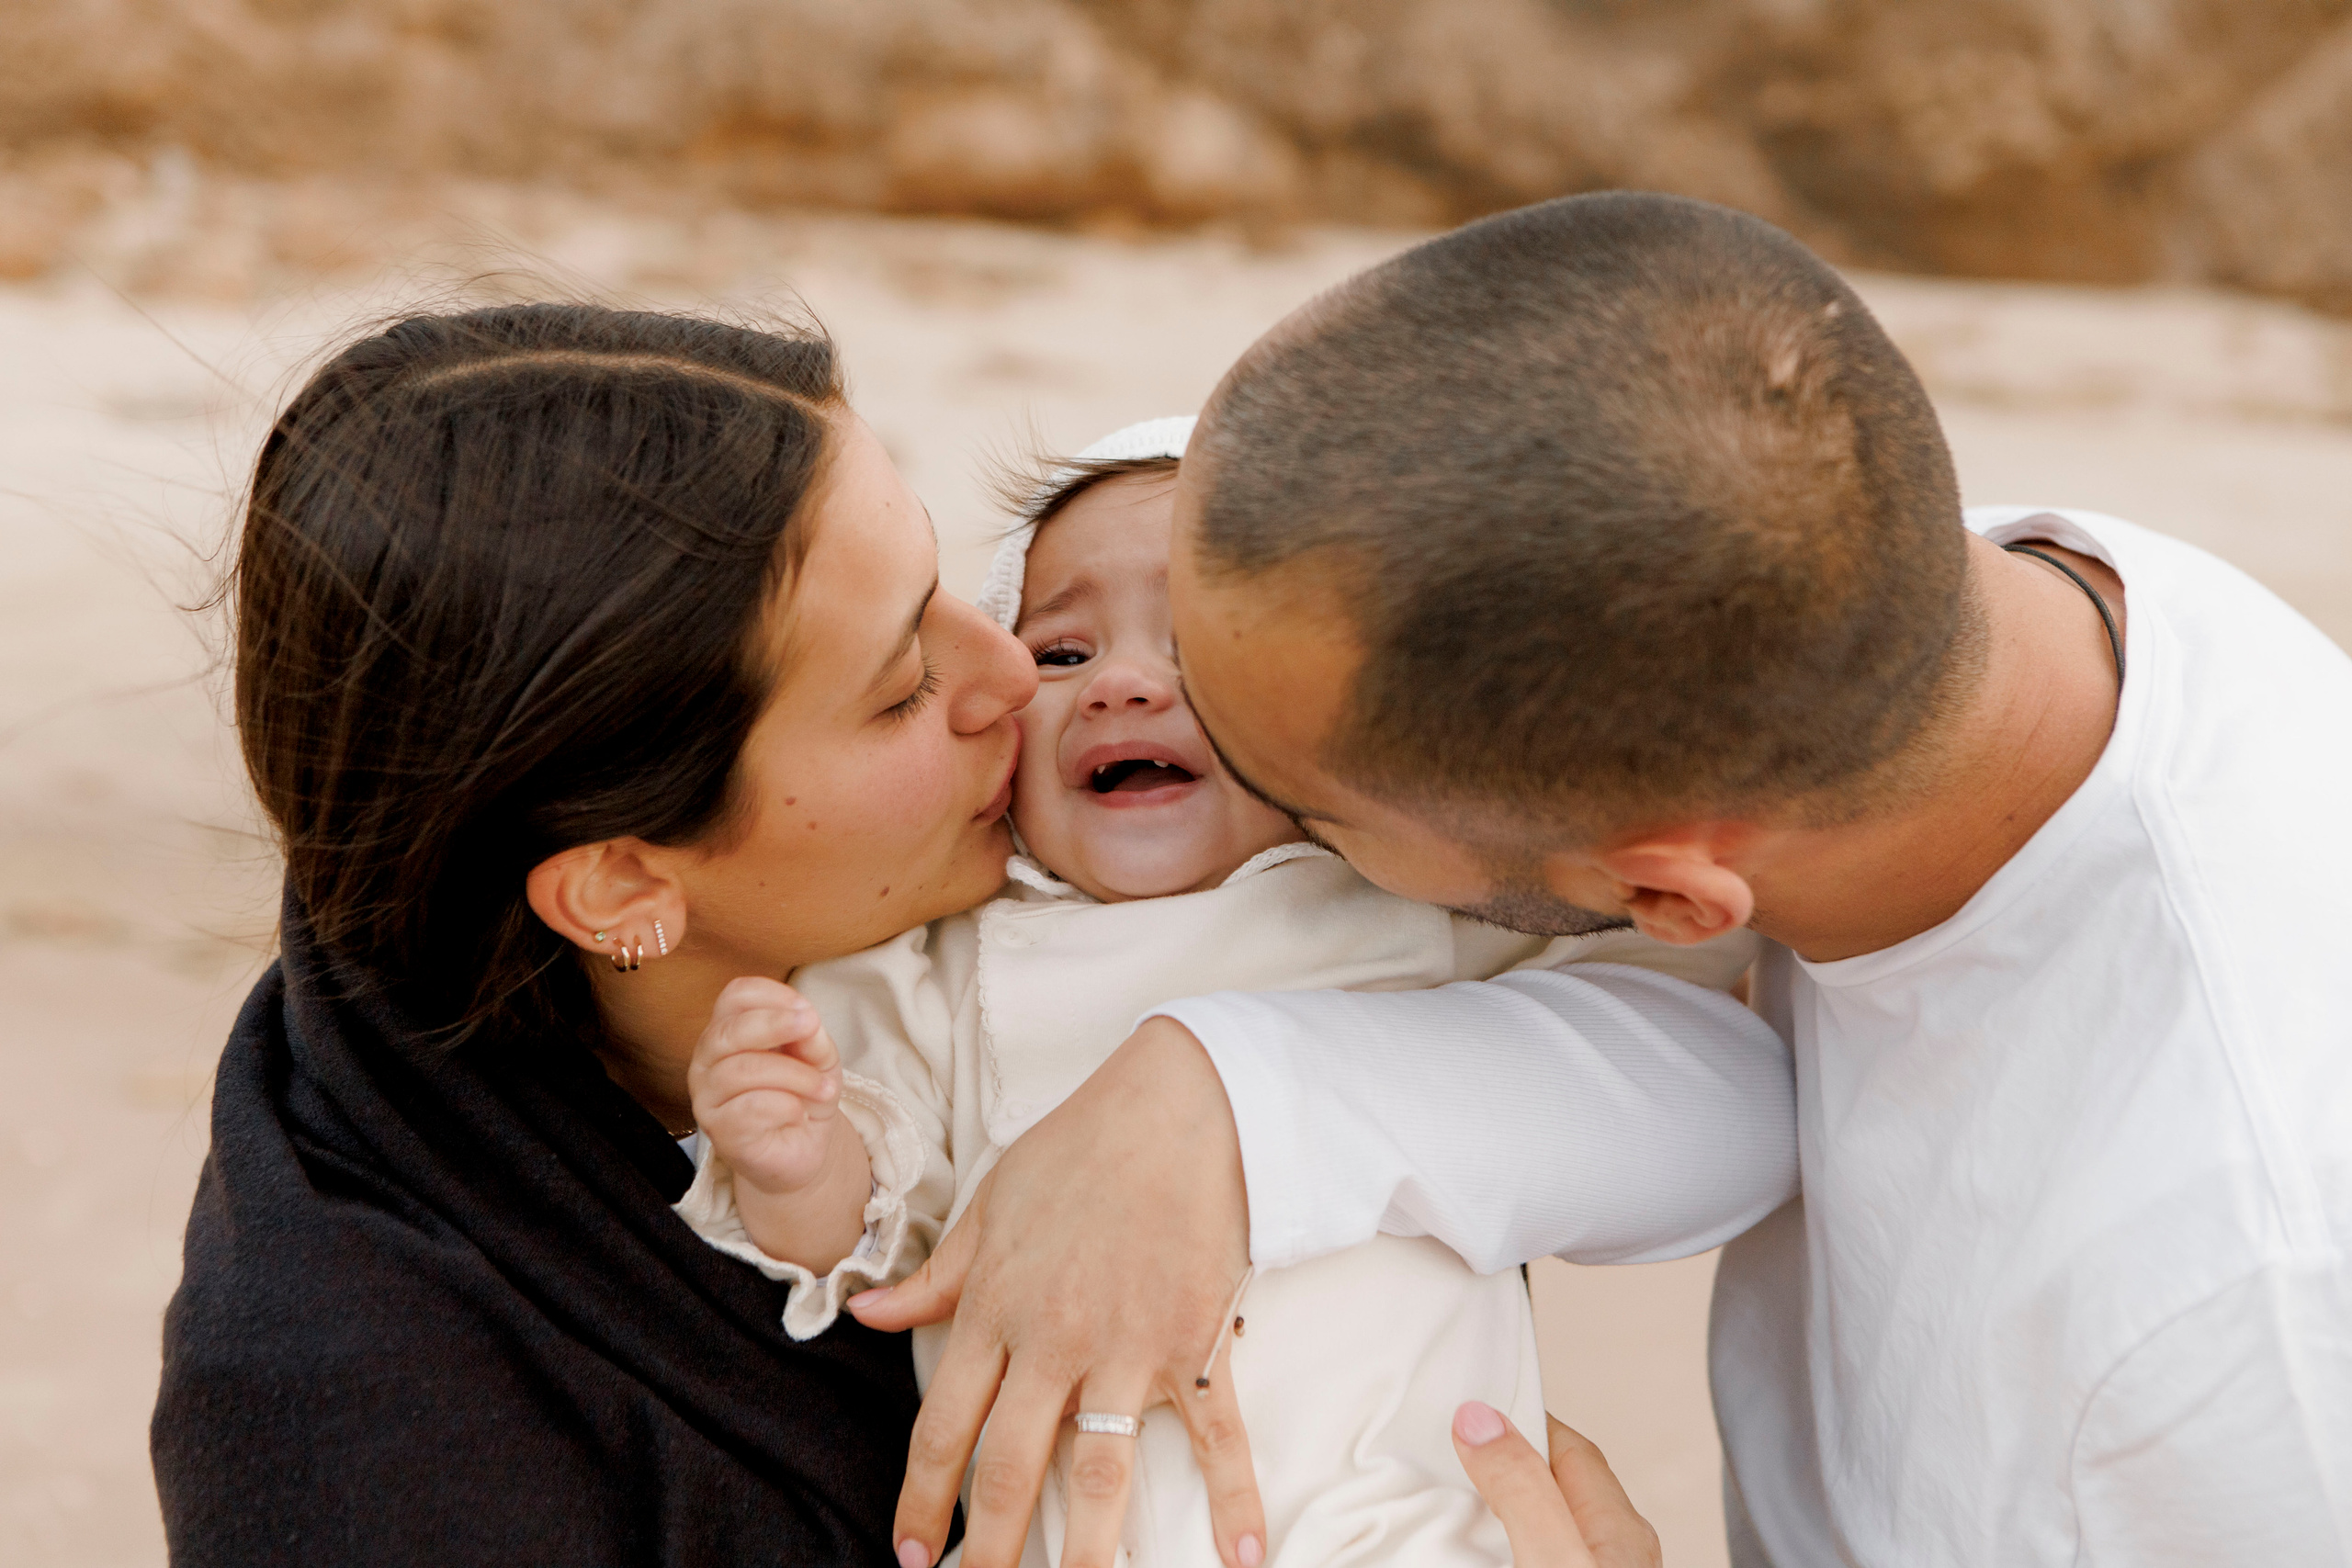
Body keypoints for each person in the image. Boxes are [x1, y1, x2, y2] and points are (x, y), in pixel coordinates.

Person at [851, 193, 2352, 1568]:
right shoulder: (1859, 561)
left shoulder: (2228, 1338)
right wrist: (1231, 1088)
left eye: (1309, 809)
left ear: (1674, 901)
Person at [671, 416, 1787, 1567]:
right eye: (1060, 654)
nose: (1121, 684)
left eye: (1204, 651)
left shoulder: (1399, 905)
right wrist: (796, 1158)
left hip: (1415, 1533)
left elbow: (1687, 1046)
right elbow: (866, 1237)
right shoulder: (950, 961)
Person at [152, 302, 1045, 1562]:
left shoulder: (1063, 828)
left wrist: (1202, 1106)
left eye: (944, 582)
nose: (1013, 669)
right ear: (624, 883)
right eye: (903, 687)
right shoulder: (369, 1430)